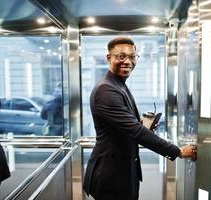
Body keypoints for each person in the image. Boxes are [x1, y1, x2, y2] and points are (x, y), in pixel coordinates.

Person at [83, 36, 196, 200]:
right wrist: (177, 151)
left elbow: (126, 126)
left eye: (132, 56)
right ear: (109, 58)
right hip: (111, 176)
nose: (127, 61)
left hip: (122, 171)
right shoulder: (106, 90)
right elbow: (135, 131)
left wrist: (143, 125)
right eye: (121, 56)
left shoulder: (119, 84)